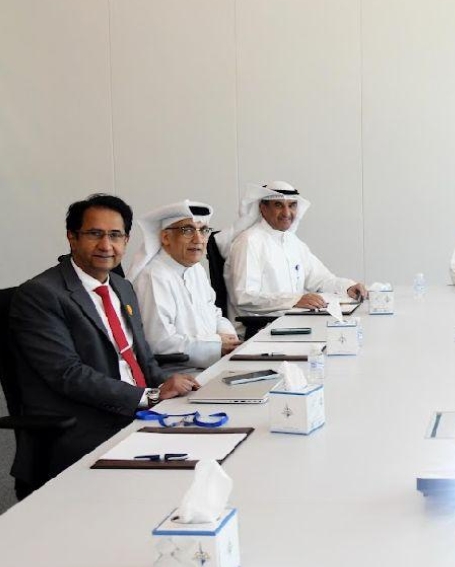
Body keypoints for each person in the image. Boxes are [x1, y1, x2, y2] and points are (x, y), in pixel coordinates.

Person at [9, 194, 200, 498]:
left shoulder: (121, 286)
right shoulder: (40, 295)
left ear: (126, 240)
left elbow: (142, 360)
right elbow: (68, 375)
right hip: (87, 423)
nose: (106, 245)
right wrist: (148, 396)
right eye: (94, 234)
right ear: (72, 237)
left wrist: (173, 386)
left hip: (137, 410)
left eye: (115, 235)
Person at [224, 181, 367, 315]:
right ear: (263, 208)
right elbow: (244, 296)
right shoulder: (249, 241)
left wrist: (348, 287)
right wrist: (294, 300)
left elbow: (321, 279)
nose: (287, 213)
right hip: (259, 327)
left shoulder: (292, 242)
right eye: (279, 205)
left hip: (292, 320)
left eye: (292, 205)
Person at [128, 200, 239, 371]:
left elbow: (215, 314)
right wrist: (217, 345)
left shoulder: (196, 269)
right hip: (178, 373)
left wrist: (228, 337)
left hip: (214, 363)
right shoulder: (153, 276)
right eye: (187, 230)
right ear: (166, 237)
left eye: (204, 230)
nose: (198, 239)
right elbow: (159, 343)